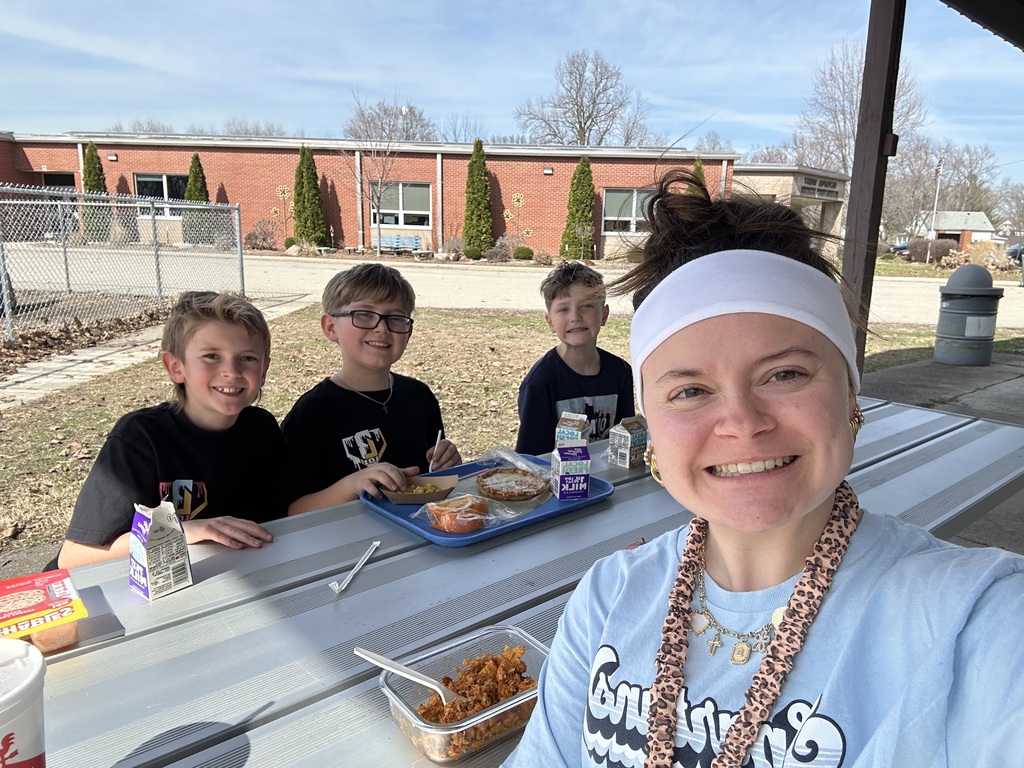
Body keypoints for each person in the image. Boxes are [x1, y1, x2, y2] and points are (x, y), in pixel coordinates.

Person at [504, 169, 1024, 767]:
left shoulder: (974, 619)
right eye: (690, 390)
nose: (742, 423)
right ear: (649, 429)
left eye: (785, 374)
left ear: (851, 396)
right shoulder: (608, 596)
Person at [51, 292, 285, 570]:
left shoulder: (262, 429)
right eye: (211, 356)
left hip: (214, 578)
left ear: (265, 369)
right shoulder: (140, 437)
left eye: (247, 358)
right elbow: (75, 556)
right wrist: (186, 531)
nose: (231, 371)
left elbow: (277, 522)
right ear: (175, 367)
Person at [282, 263, 461, 514]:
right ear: (330, 327)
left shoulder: (419, 396)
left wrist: (447, 463)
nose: (382, 328)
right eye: (364, 314)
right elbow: (293, 511)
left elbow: (429, 478)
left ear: (408, 332)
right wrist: (352, 485)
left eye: (395, 318)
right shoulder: (312, 413)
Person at [515, 260, 635, 455]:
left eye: (586, 305)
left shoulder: (620, 372)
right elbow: (532, 458)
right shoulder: (541, 382)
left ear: (604, 315)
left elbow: (624, 441)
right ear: (550, 321)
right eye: (563, 309)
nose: (575, 317)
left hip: (610, 481)